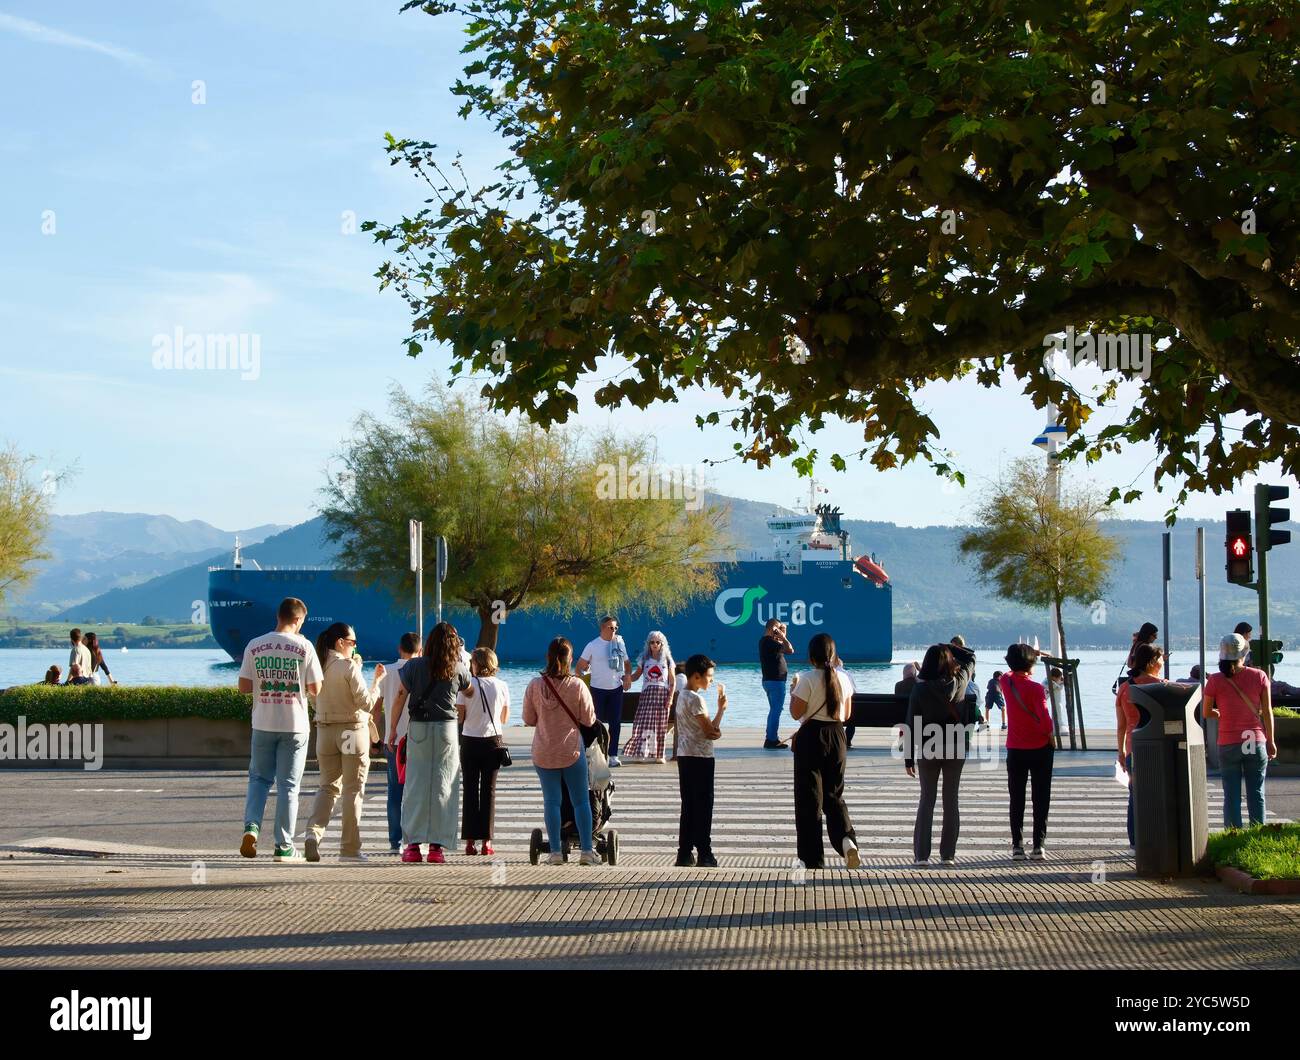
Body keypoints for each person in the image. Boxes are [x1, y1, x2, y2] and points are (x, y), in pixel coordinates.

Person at [237, 597, 323, 863]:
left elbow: (243, 686)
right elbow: (316, 689)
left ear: (279, 616)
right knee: (288, 785)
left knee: (259, 779)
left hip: (263, 722)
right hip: (294, 725)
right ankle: (283, 846)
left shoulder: (255, 645)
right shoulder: (304, 646)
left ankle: (251, 827)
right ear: (297, 620)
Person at [386, 622, 470, 864]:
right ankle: (436, 848)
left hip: (419, 728)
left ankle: (412, 846)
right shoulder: (458, 667)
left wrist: (392, 729)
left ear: (429, 643)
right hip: (446, 729)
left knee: (415, 786)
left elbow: (400, 697)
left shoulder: (413, 666)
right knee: (444, 786)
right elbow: (469, 687)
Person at [304, 623, 384, 863]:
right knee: (352, 790)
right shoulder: (348, 666)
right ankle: (349, 849)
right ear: (340, 642)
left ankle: (312, 834)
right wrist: (377, 684)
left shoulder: (317, 665)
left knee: (327, 787)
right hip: (352, 731)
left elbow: (314, 701)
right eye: (352, 642)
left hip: (325, 732)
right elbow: (366, 703)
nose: (354, 647)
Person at [523, 637, 601, 865]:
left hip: (544, 751)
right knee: (581, 802)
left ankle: (555, 852)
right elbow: (589, 720)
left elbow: (528, 719)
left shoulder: (534, 685)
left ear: (548, 657)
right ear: (570, 659)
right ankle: (587, 851)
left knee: (552, 801)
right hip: (571, 752)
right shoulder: (577, 685)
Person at [791, 633, 859, 870]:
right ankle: (847, 841)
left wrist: (793, 690)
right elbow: (847, 715)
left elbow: (796, 713)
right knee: (834, 795)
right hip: (837, 737)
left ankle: (813, 860)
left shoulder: (807, 679)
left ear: (811, 657)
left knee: (809, 801)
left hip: (811, 738)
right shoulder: (844, 679)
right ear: (833, 654)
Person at [905, 640, 977, 866]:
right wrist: (950, 646)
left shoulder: (920, 688)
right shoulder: (960, 681)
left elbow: (912, 722)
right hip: (955, 746)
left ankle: (921, 856)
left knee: (927, 800)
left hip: (929, 747)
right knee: (951, 800)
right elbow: (971, 657)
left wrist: (908, 757)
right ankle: (948, 855)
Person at [1203, 633, 1276, 829]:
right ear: (1244, 653)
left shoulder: (1215, 680)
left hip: (1228, 742)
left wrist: (1221, 713)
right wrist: (1270, 740)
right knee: (1256, 791)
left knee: (1231, 794)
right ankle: (1257, 833)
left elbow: (1206, 711)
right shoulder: (1259, 676)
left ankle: (1233, 834)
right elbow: (1267, 711)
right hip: (1254, 738)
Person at [1000, 645, 1054, 860]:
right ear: (1031, 663)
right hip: (1040, 748)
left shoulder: (1007, 682)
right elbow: (1044, 718)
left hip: (1015, 748)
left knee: (1017, 798)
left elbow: (1007, 672)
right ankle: (1038, 846)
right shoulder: (1036, 689)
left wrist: (1027, 660)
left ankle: (1017, 846)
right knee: (1041, 797)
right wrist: (1050, 736)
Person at [1116, 642, 1172, 847]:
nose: (1162, 661)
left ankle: (1135, 842)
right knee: (1160, 794)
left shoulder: (1124, 688)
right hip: (1159, 748)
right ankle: (1157, 838)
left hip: (1134, 748)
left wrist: (1121, 751)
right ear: (1151, 662)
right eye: (1160, 658)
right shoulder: (1164, 686)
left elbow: (1121, 726)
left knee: (1135, 796)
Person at [674, 654, 727, 867]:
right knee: (704, 806)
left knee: (688, 806)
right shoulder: (696, 699)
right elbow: (710, 732)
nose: (711, 681)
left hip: (685, 755)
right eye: (709, 676)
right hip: (701, 758)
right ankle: (705, 852)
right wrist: (721, 711)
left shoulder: (681, 696)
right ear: (697, 677)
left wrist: (718, 714)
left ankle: (684, 853)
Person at [457, 646, 510, 856]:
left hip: (470, 740)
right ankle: (487, 842)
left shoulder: (467, 686)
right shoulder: (502, 685)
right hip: (493, 742)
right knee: (489, 790)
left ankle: (470, 841)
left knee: (470, 789)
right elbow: (505, 718)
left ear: (476, 664)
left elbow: (461, 717)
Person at [378, 632, 420, 853]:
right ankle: (413, 839)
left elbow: (376, 706)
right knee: (416, 790)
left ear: (399, 648)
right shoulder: (422, 670)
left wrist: (377, 735)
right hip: (417, 738)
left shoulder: (387, 672)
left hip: (392, 740)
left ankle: (394, 841)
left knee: (395, 790)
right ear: (420, 650)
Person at [577, 616, 632, 767]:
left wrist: (627, 676)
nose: (613, 631)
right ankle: (596, 753)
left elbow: (627, 663)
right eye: (610, 628)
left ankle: (613, 755)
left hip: (616, 689)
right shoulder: (593, 645)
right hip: (597, 690)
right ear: (602, 628)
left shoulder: (619, 643)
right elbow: (579, 667)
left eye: (615, 628)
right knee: (596, 723)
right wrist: (585, 672)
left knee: (615, 723)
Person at [623, 631, 675, 762]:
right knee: (642, 723)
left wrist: (670, 698)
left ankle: (659, 755)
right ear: (648, 644)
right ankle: (641, 753)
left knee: (660, 725)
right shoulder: (644, 659)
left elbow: (672, 681)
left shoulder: (668, 660)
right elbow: (636, 675)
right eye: (652, 642)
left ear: (662, 644)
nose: (655, 645)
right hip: (647, 694)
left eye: (658, 642)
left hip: (662, 694)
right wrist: (626, 678)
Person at [758, 619, 793, 750]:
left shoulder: (766, 642)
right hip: (775, 681)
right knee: (776, 711)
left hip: (771, 680)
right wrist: (783, 637)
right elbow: (790, 649)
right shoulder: (768, 641)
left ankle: (772, 737)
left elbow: (781, 647)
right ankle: (771, 739)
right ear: (773, 628)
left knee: (774, 710)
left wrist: (783, 634)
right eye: (777, 629)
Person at [1114, 622, 1158, 692]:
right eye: (1154, 635)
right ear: (1148, 635)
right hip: (1141, 682)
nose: (1156, 638)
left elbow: (1130, 663)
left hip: (1134, 680)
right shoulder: (1144, 647)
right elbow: (1134, 664)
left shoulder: (1137, 644)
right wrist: (1159, 659)